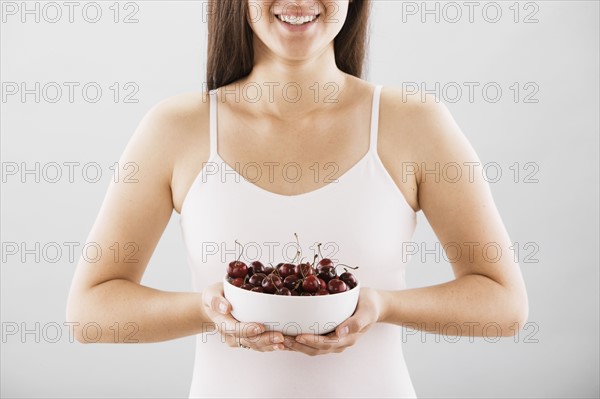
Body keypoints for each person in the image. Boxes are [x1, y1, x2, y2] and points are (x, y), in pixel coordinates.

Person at [66, 1, 529, 397]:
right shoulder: (176, 128)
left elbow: (503, 303)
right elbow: (90, 311)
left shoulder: (414, 122)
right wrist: (209, 308)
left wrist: (382, 306)